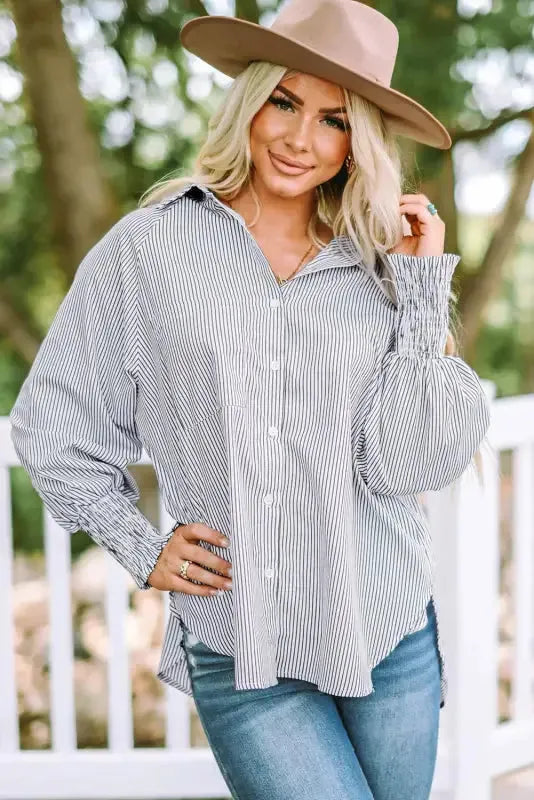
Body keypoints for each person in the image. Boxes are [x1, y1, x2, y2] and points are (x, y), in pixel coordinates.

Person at [9, 0, 491, 797]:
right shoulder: (148, 249)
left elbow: (409, 464)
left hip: (387, 628)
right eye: (284, 103)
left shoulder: (381, 263)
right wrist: (140, 545)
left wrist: (419, 292)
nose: (301, 139)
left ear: (358, 144)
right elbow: (53, 424)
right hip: (245, 646)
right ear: (250, 103)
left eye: (334, 120)